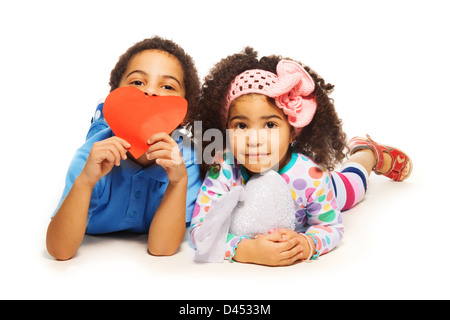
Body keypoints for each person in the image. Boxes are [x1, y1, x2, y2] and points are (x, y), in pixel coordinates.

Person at [189, 47, 412, 266]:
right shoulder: (225, 168)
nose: (254, 139)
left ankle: (367, 153)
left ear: (292, 131)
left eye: (269, 124)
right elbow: (201, 230)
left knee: (354, 183)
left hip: (331, 188)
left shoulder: (311, 176)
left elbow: (330, 227)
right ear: (226, 130)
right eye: (241, 125)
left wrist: (306, 243)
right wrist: (245, 250)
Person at [47, 36, 202, 260]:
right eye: (137, 82)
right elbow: (59, 251)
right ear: (115, 94)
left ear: (185, 113)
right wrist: (85, 181)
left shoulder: (186, 161)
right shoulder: (88, 158)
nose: (150, 92)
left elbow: (161, 249)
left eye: (167, 86)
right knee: (100, 129)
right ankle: (104, 117)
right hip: (104, 137)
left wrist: (178, 182)